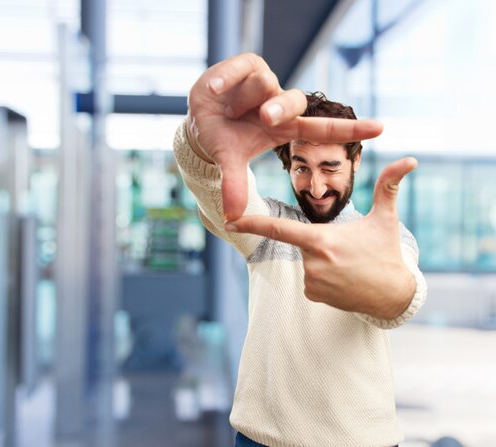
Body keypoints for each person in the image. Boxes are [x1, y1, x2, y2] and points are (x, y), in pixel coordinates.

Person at [173, 53, 427, 447]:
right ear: (287, 165)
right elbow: (211, 186)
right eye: (301, 167)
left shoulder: (384, 236)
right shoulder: (268, 228)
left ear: (355, 160)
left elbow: (401, 293)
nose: (317, 186)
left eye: (330, 166)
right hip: (262, 442)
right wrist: (200, 140)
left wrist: (383, 290)